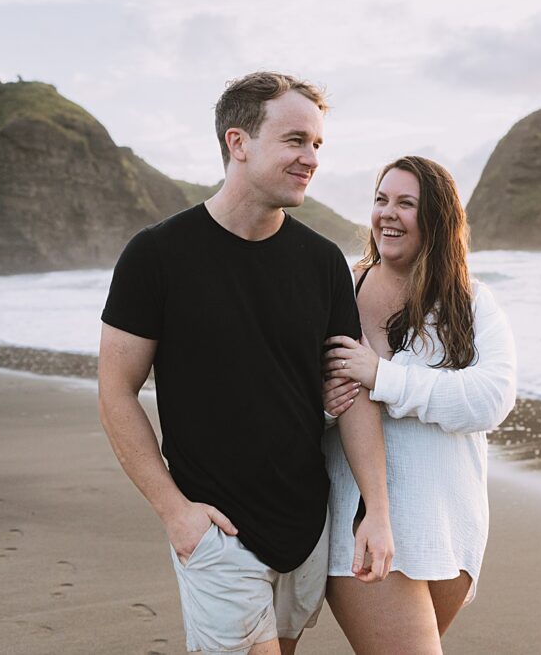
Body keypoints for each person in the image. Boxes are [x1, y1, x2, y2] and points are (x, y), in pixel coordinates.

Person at [97, 72, 394, 655]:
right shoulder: (156, 256)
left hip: (306, 528)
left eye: (317, 145)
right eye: (295, 140)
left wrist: (376, 511)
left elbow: (350, 392)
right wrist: (175, 513)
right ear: (239, 143)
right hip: (217, 530)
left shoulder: (323, 263)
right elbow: (115, 391)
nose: (311, 157)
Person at [321, 155, 517, 654]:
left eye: (406, 203)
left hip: (450, 528)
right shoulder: (341, 289)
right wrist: (324, 405)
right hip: (364, 526)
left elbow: (491, 399)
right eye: (381, 200)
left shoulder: (471, 303)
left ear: (437, 218)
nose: (388, 213)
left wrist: (384, 377)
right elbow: (295, 395)